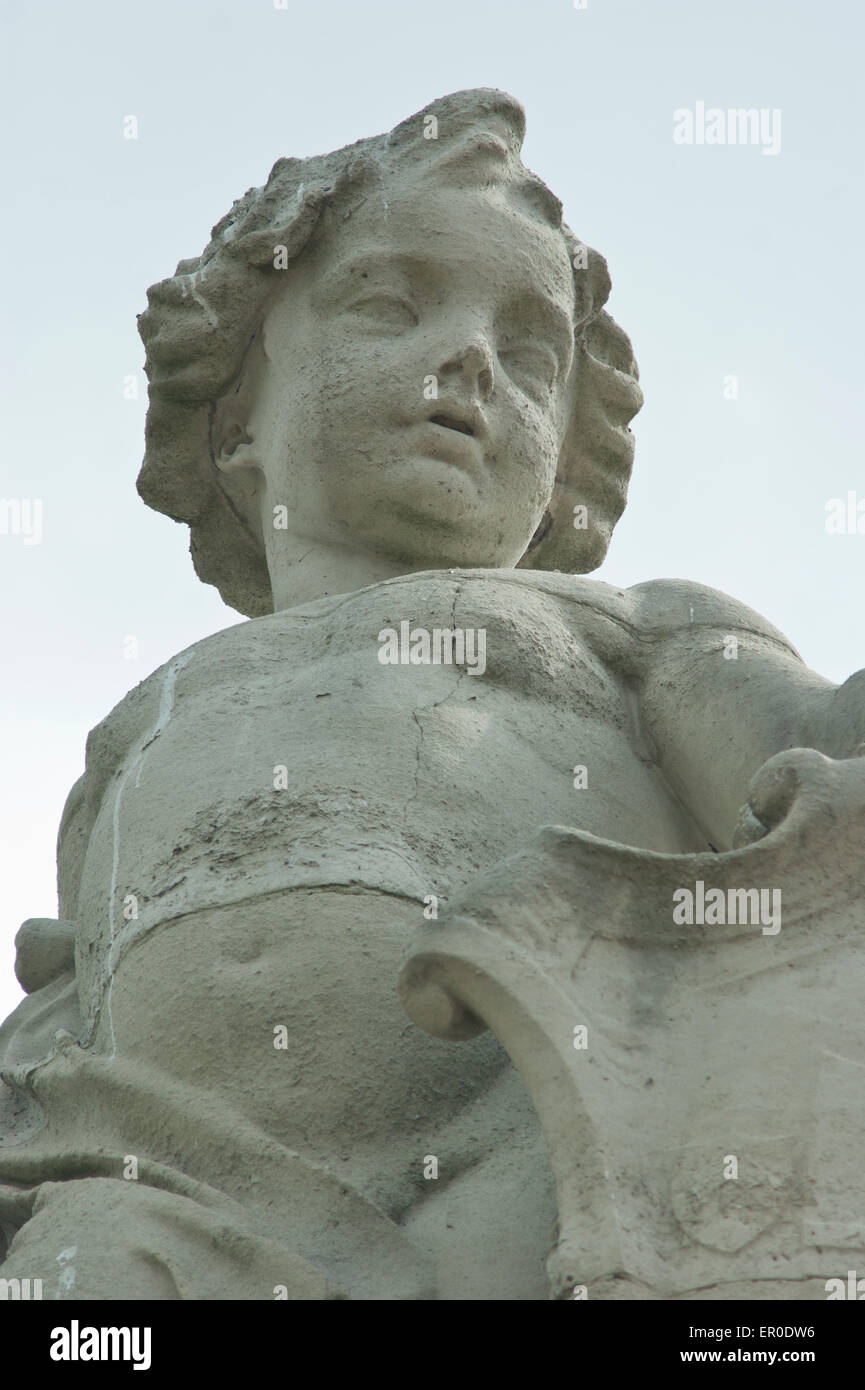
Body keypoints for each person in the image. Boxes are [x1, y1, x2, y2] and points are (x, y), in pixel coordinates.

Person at [1, 88, 862, 1300]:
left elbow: (819, 784)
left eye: (530, 353)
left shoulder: (638, 628)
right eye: (389, 306)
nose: (470, 359)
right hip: (174, 1177)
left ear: (562, 464)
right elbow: (73, 987)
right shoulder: (142, 719)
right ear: (236, 418)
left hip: (539, 1136)